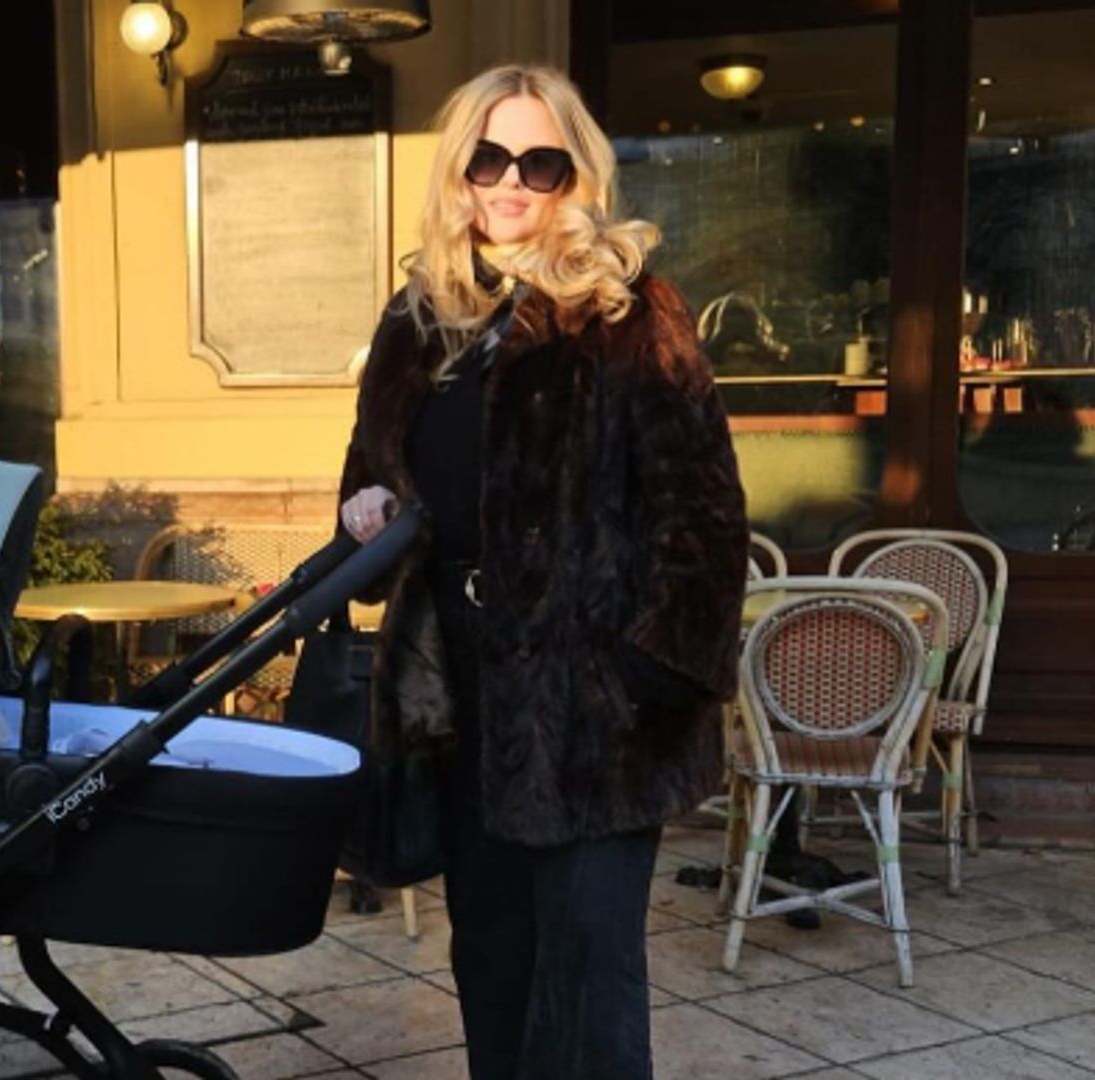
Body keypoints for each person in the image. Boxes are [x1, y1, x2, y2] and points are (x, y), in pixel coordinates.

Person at [336, 65, 747, 1078]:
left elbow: (704, 515)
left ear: (573, 174)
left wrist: (643, 680)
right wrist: (366, 509)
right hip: (461, 691)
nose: (509, 181)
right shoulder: (420, 314)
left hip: (594, 703)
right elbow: (369, 465)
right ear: (459, 170)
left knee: (590, 981)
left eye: (538, 160)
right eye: (488, 158)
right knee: (492, 957)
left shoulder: (627, 311)